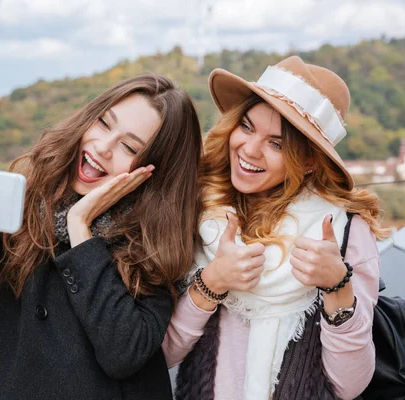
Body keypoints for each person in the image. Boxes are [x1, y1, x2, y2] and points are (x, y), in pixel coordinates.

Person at [0, 74, 203, 400]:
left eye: (129, 146)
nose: (102, 147)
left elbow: (125, 351)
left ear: (154, 173)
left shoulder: (157, 242)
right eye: (103, 123)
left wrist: (80, 229)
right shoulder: (30, 199)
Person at [162, 56, 389, 400]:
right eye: (248, 127)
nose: (249, 150)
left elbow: (349, 384)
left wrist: (336, 286)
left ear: (310, 161)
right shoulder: (197, 209)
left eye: (277, 143)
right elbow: (164, 353)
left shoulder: (342, 231)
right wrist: (212, 283)